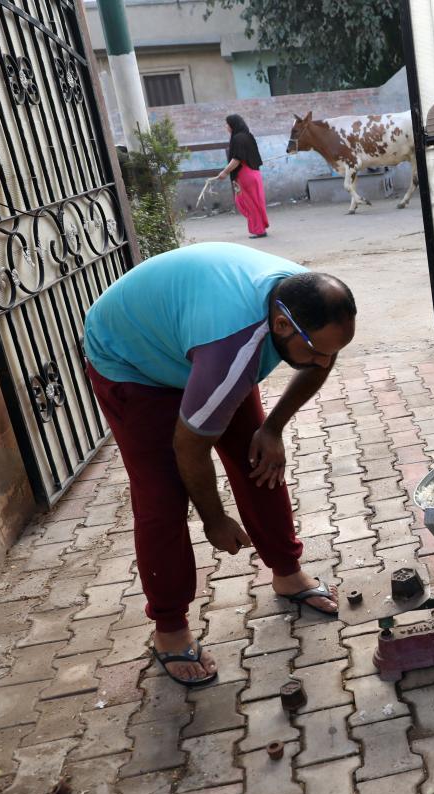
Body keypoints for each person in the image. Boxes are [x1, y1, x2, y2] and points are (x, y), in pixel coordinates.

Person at [83, 242, 355, 686]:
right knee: (162, 497)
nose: (324, 362)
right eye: (316, 352)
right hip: (132, 361)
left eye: (333, 351)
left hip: (196, 339)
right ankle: (170, 629)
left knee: (259, 459)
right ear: (281, 325)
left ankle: (288, 574)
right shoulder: (233, 349)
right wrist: (214, 519)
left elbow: (321, 358)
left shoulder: (306, 302)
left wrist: (272, 429)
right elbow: (189, 447)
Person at [217, 114, 270, 239]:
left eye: (227, 124)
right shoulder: (248, 136)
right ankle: (260, 226)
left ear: (233, 125)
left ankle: (259, 230)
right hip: (254, 173)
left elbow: (237, 159)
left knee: (249, 203)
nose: (226, 126)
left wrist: (225, 172)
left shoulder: (238, 138)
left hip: (245, 174)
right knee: (253, 201)